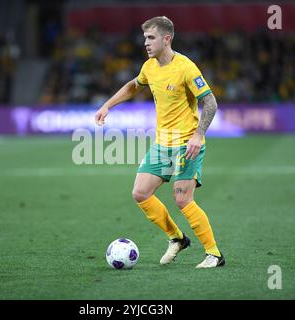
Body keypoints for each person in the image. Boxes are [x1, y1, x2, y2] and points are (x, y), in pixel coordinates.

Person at [95, 16, 225, 268]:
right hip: (162, 143)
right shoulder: (149, 67)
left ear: (167, 39)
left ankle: (214, 254)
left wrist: (198, 135)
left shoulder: (186, 67)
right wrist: (107, 105)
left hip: (187, 142)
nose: (146, 43)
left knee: (182, 200)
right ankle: (177, 238)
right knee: (140, 193)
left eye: (151, 37)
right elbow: (134, 86)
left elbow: (210, 102)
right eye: (145, 38)